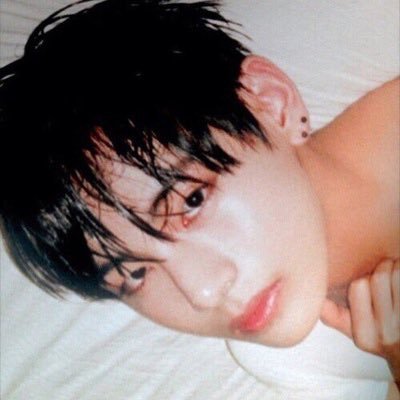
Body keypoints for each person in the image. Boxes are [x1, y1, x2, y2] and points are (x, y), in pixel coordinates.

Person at [0, 0, 398, 397]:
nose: (202, 293)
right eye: (134, 275)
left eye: (191, 200)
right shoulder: (290, 357)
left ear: (271, 104)